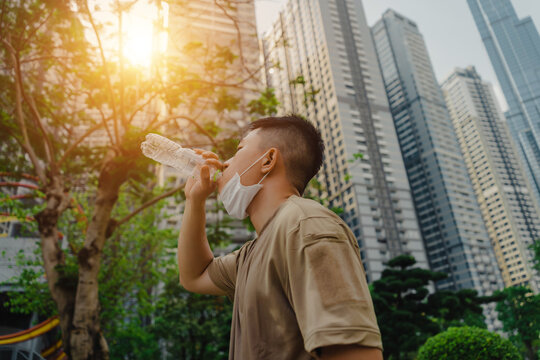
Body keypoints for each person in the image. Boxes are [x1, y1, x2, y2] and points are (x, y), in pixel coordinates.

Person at [177, 115, 383, 359]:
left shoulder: (307, 225)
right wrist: (194, 201)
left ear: (268, 160)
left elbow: (355, 354)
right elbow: (194, 276)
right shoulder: (250, 255)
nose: (224, 164)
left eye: (239, 150)